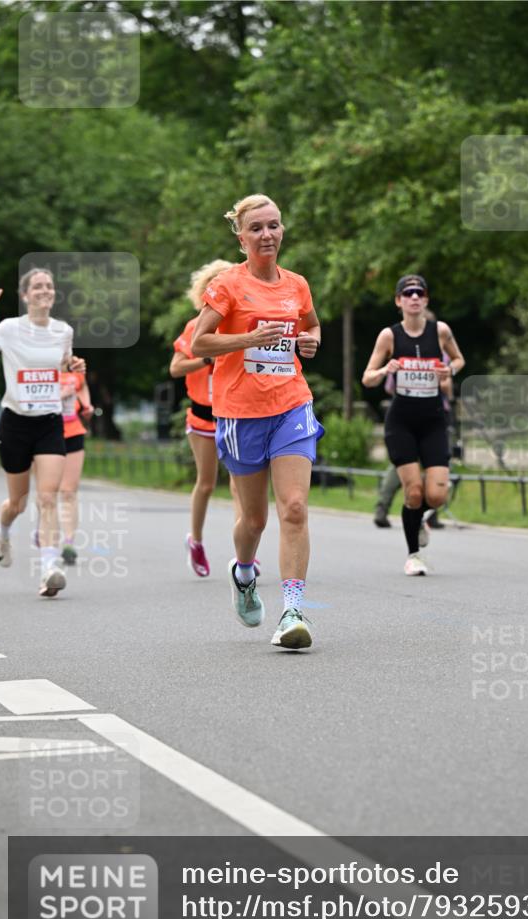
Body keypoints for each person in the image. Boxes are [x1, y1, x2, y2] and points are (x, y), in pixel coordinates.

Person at [192, 194, 323, 649]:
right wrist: (249, 336)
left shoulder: (297, 285)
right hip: (240, 414)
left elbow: (312, 325)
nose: (267, 235)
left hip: (291, 404)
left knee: (294, 507)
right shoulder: (228, 285)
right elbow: (198, 344)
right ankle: (244, 572)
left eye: (273, 226)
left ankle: (292, 611)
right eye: (257, 228)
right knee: (254, 520)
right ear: (241, 236)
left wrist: (309, 342)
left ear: (282, 230)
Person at [0, 268, 85, 596]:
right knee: (18, 502)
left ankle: (50, 568)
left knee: (48, 497)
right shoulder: (8, 328)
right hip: (15, 421)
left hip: (49, 422)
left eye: (49, 286)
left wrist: (74, 366)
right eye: (38, 286)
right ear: (26, 295)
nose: (45, 290)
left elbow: (62, 365)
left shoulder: (63, 331)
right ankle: (3, 530)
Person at [362, 274, 465, 576]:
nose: (415, 297)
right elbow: (367, 377)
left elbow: (459, 360)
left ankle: (417, 519)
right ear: (399, 301)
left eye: (420, 292)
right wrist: (385, 369)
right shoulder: (389, 336)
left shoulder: (440, 331)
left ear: (426, 299)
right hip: (401, 422)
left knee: (437, 496)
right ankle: (413, 555)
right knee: (414, 492)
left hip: (433, 420)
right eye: (408, 293)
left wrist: (449, 370)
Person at [170, 258, 248, 578]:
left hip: (236, 412)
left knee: (238, 485)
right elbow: (175, 368)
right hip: (203, 415)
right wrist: (204, 358)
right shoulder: (195, 327)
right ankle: (197, 541)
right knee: (206, 482)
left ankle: (246, 551)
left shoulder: (243, 324)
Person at [58, 367, 94, 564]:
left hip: (73, 433)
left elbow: (84, 397)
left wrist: (86, 407)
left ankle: (69, 541)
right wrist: (62, 394)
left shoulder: (77, 374)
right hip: (45, 436)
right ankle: (43, 529)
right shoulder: (41, 370)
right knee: (46, 492)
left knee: (68, 491)